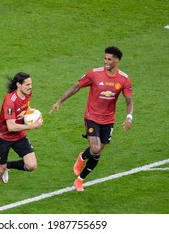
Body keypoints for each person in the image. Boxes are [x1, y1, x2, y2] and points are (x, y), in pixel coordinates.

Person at [49, 46, 134, 192]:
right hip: (92, 117)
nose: (106, 62)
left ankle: (80, 180)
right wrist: (59, 101)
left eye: (109, 59)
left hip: (108, 120)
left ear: (117, 60)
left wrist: (129, 117)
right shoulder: (94, 74)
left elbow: (129, 101)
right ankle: (82, 157)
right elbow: (76, 86)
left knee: (98, 152)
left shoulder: (124, 79)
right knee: (94, 149)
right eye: (105, 58)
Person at [0, 72, 43, 208]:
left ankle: (8, 166)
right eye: (27, 84)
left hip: (19, 135)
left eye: (31, 84)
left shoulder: (28, 93)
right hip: (3, 137)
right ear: (18, 85)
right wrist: (32, 125)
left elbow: (25, 106)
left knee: (31, 166)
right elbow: (11, 127)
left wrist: (31, 113)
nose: (30, 87)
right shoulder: (9, 101)